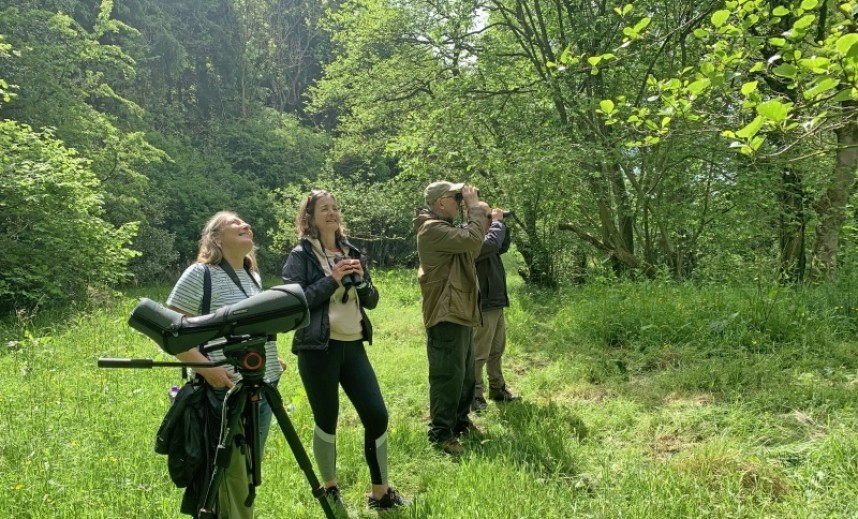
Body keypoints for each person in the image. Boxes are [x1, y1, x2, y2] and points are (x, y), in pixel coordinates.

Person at [282, 189, 408, 512]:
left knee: (377, 415)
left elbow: (373, 300)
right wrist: (332, 280)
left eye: (335, 208)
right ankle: (331, 488)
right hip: (317, 349)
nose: (332, 213)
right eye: (324, 208)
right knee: (327, 419)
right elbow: (294, 302)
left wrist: (362, 281)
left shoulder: (351, 250)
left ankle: (380, 494)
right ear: (309, 217)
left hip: (353, 347)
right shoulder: (301, 255)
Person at [166, 211, 283, 519]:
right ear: (216, 238)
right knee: (230, 475)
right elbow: (171, 331)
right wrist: (207, 370)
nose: (247, 225)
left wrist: (271, 356)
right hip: (226, 393)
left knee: (246, 472)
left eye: (247, 223)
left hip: (263, 389)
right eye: (235, 224)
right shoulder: (200, 274)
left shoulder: (251, 275)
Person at [413, 181, 488, 455]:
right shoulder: (431, 229)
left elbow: (474, 247)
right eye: (455, 197)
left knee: (465, 374)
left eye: (461, 197)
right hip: (446, 313)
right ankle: (441, 432)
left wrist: (480, 217)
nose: (459, 201)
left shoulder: (446, 230)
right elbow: (471, 240)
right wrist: (475, 208)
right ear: (439, 202)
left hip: (460, 309)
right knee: (448, 375)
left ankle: (459, 421)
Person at [471, 202, 519, 414]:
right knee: (479, 354)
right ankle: (474, 396)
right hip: (483, 304)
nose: (492, 219)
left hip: (496, 303)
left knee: (497, 350)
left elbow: (501, 246)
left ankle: (497, 389)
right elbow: (490, 245)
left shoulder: (489, 237)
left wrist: (500, 226)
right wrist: (496, 223)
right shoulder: (470, 238)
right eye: (488, 216)